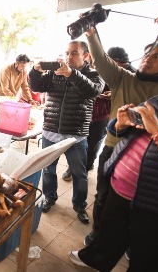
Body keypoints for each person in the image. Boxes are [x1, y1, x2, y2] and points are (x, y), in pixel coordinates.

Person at [83, 23, 158, 246]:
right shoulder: (123, 78)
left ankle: (132, 242)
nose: (148, 59)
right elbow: (101, 59)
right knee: (103, 195)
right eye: (147, 54)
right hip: (114, 147)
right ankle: (98, 233)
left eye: (157, 56)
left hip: (154, 156)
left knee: (142, 204)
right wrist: (91, 32)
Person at [69, 95, 158, 272]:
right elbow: (119, 131)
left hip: (154, 202)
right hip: (120, 186)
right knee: (110, 232)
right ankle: (94, 260)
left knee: (146, 253)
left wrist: (157, 129)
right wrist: (120, 123)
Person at [29, 40, 104, 224]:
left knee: (79, 174)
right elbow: (36, 87)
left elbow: (91, 91)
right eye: (67, 53)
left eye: (74, 53)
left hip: (76, 136)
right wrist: (35, 71)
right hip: (51, 132)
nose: (69, 57)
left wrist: (72, 74)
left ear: (85, 55)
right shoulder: (57, 72)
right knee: (48, 170)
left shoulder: (95, 75)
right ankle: (50, 197)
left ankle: (79, 205)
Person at [62, 46, 136, 181]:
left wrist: (112, 95)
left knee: (93, 145)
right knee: (79, 143)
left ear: (116, 61)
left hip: (104, 116)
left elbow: (130, 96)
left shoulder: (131, 75)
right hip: (87, 113)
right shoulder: (97, 70)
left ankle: (85, 167)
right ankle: (72, 168)